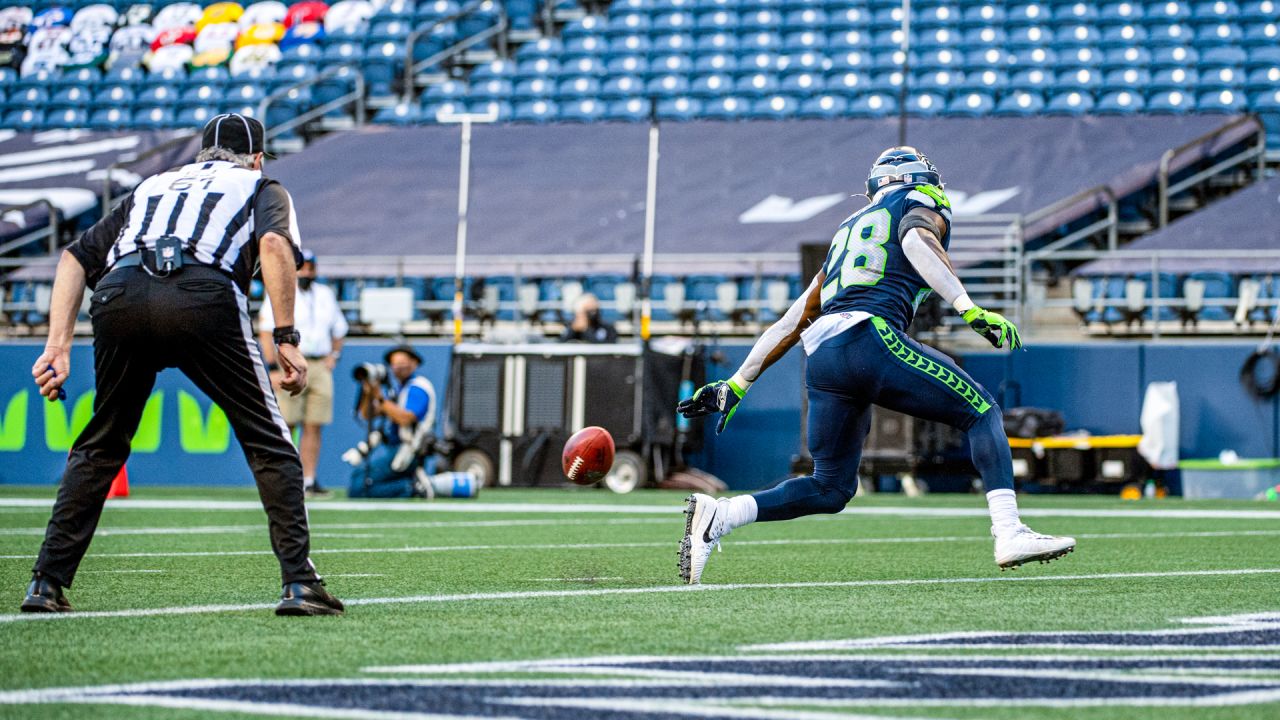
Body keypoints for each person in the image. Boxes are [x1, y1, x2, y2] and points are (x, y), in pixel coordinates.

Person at [676, 147, 1075, 584]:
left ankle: (721, 516)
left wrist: (736, 383)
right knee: (982, 412)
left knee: (831, 488)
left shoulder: (846, 232)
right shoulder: (917, 202)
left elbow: (793, 320)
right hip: (869, 336)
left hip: (824, 355)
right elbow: (914, 240)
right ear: (918, 178)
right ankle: (1009, 531)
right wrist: (967, 307)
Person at [22, 113, 344, 616]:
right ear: (256, 158)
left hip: (119, 293)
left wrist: (56, 347)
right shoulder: (262, 186)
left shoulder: (153, 186)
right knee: (268, 440)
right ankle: (300, 583)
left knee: (101, 444)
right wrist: (286, 337)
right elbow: (276, 245)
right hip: (202, 294)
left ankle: (45, 583)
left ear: (200, 156)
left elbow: (74, 259)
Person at [258, 249, 348, 499]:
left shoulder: (326, 295)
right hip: (291, 363)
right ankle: (284, 479)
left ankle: (308, 479)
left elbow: (340, 328)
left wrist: (334, 356)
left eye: (310, 267)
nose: (307, 272)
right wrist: (274, 367)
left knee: (314, 424)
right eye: (302, 267)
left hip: (319, 364)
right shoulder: (282, 290)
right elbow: (265, 330)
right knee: (287, 423)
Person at [347, 345, 437, 498]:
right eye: (394, 363)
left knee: (359, 487)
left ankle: (411, 488)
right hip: (395, 449)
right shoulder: (398, 389)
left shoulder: (418, 387)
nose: (398, 368)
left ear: (414, 363)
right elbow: (367, 415)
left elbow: (405, 419)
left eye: (402, 362)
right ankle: (409, 483)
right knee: (358, 476)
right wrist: (369, 394)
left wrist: (380, 397)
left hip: (408, 451)